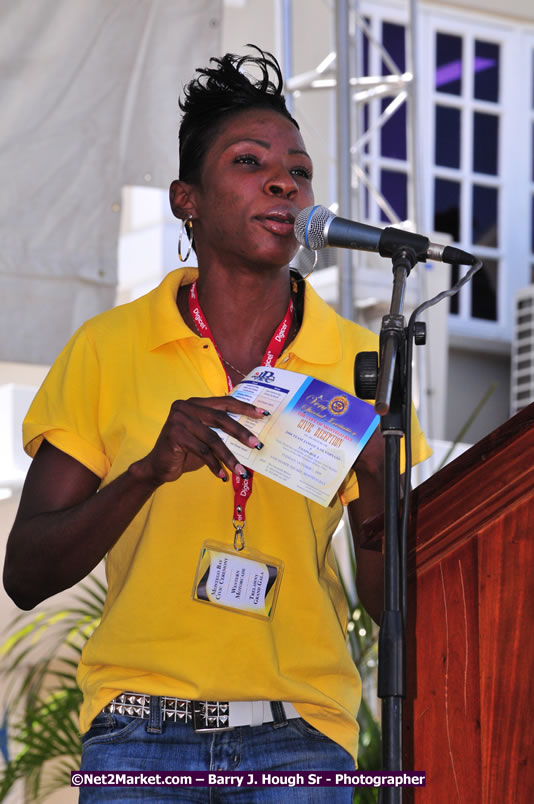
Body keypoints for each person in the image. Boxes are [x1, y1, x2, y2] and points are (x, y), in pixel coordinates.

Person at [3, 47, 430, 802]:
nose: (283, 183)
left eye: (298, 172)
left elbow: (385, 594)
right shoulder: (109, 348)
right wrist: (145, 473)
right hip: (139, 735)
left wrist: (374, 475)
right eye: (248, 161)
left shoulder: (364, 358)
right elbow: (27, 573)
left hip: (302, 733)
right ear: (185, 199)